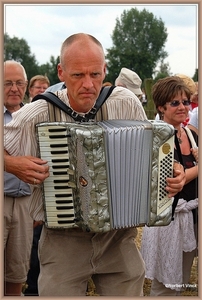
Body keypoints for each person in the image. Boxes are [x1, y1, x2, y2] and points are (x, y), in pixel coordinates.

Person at [4, 33, 186, 296]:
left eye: (95, 74)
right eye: (78, 75)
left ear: (104, 69)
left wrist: (173, 172)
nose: (88, 84)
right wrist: (10, 163)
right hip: (63, 240)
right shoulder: (40, 111)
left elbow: (153, 155)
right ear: (61, 72)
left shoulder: (124, 101)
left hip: (119, 238)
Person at [141, 76, 198, 296]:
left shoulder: (190, 134)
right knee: (165, 285)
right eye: (175, 103)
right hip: (169, 221)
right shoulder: (158, 137)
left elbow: (186, 175)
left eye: (185, 102)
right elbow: (172, 180)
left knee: (181, 279)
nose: (183, 107)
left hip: (191, 216)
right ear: (161, 107)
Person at [3, 60, 34, 296]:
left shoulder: (35, 116)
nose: (14, 88)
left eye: (19, 83)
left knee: (17, 273)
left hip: (25, 204)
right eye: (7, 83)